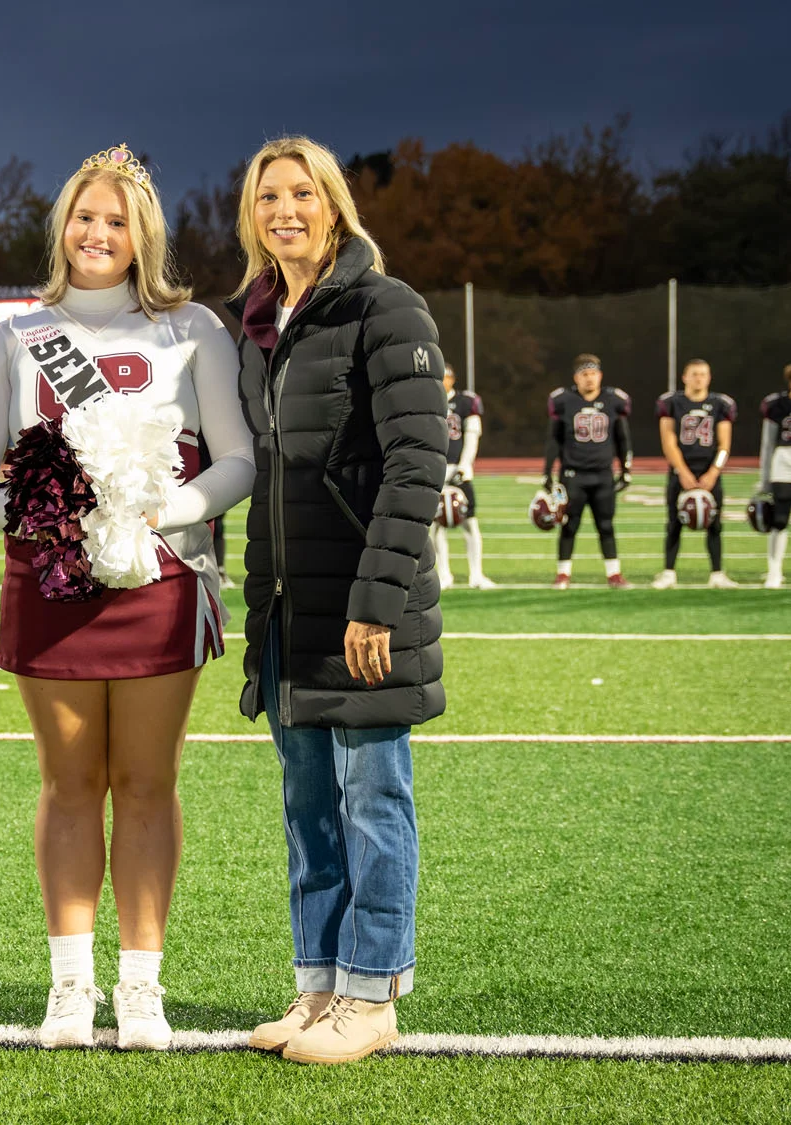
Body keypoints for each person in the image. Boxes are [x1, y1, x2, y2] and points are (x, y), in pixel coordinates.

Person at [0, 144, 255, 1050]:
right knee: (71, 781)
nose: (99, 232)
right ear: (63, 226)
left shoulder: (193, 327)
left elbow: (238, 455)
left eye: (118, 220)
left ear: (142, 235)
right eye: (86, 216)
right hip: (52, 576)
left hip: (162, 577)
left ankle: (142, 988)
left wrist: (174, 506)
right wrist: (40, 513)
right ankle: (69, 985)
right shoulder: (15, 338)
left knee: (148, 782)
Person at [228, 137, 445, 1066]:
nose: (285, 209)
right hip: (286, 605)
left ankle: (373, 993)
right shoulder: (260, 319)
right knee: (308, 809)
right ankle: (319, 983)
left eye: (302, 193)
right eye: (268, 195)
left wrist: (376, 600)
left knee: (372, 801)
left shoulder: (384, 306)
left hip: (360, 607)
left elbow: (416, 460)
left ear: (334, 205)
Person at [543, 355, 633, 589]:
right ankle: (563, 574)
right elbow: (554, 440)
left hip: (603, 475)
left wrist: (626, 469)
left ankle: (614, 574)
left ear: (600, 376)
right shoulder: (564, 400)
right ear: (576, 377)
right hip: (573, 475)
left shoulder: (614, 400)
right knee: (568, 525)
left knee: (606, 525)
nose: (589, 378)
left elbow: (623, 438)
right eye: (584, 374)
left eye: (593, 373)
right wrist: (547, 473)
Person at [652, 359, 737, 589]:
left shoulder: (721, 404)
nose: (699, 378)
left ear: (709, 378)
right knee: (673, 524)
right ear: (684, 377)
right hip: (681, 470)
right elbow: (668, 441)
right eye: (694, 374)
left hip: (709, 471)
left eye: (703, 374)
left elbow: (724, 445)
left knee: (715, 523)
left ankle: (717, 573)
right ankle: (669, 572)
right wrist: (681, 471)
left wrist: (714, 472)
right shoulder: (671, 402)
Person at [432, 363, 497, 590]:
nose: (442, 380)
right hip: (435, 471)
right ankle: (443, 575)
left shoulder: (466, 402)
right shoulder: (425, 401)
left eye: (445, 376)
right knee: (436, 525)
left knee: (470, 523)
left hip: (459, 471)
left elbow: (472, 438)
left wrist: (465, 466)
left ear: (453, 379)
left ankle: (476, 574)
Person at [758, 363, 791, 589]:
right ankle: (774, 570)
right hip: (784, 461)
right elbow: (768, 443)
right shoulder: (777, 405)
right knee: (779, 519)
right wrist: (764, 478)